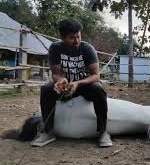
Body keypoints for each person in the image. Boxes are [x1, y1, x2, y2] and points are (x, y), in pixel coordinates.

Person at [31, 19, 112, 148]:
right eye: (71, 38)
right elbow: (56, 73)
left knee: (98, 89)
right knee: (46, 89)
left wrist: (78, 83)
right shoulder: (55, 48)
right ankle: (48, 132)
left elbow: (96, 75)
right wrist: (61, 80)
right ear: (62, 38)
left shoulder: (87, 48)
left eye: (78, 36)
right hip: (66, 86)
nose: (76, 41)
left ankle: (103, 132)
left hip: (84, 85)